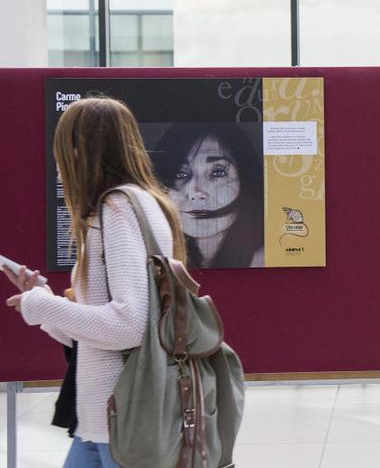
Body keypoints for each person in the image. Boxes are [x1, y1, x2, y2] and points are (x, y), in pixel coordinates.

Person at [3, 96, 187, 467]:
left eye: (62, 147)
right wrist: (46, 302)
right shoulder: (143, 202)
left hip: (121, 421)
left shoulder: (115, 211)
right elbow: (101, 330)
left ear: (79, 150)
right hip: (105, 421)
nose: (58, 162)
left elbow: (128, 325)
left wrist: (42, 306)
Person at [154, 123, 263, 268]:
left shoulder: (263, 260)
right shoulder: (157, 260)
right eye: (180, 173)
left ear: (246, 182)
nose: (195, 193)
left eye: (218, 172)